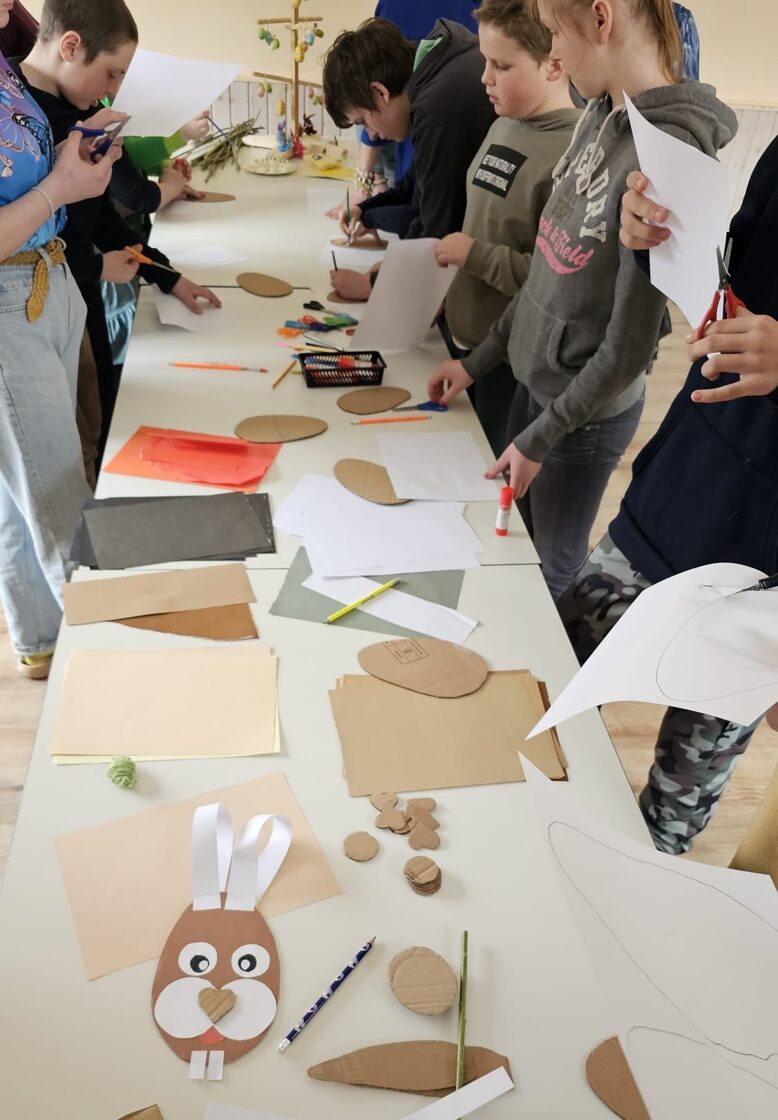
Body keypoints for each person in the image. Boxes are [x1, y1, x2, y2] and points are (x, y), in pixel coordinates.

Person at [427, 0, 736, 600]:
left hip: (583, 419)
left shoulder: (666, 155)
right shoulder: (599, 113)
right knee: (517, 549)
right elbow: (546, 271)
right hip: (537, 388)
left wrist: (543, 436)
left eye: (552, 32)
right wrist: (475, 362)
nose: (553, 53)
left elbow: (627, 350)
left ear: (600, 18)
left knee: (552, 569)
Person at [558, 140, 778, 854]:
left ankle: (635, 900)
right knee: (550, 676)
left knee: (678, 803)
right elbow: (731, 284)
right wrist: (655, 244)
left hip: (761, 584)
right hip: (682, 486)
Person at [12, 0, 221, 450]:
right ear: (71, 46)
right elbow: (31, 245)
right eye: (112, 75)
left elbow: (100, 217)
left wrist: (166, 275)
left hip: (77, 301)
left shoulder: (80, 117)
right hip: (35, 312)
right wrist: (96, 267)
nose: (114, 91)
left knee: (100, 416)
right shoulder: (20, 112)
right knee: (78, 433)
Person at [0, 1, 125, 678]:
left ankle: (41, 640)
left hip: (45, 280)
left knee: (24, 493)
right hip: (10, 296)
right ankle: (108, 671)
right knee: (59, 498)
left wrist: (74, 163)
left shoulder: (5, 68)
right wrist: (59, 187)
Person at [435, 0, 580, 454]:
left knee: (487, 466)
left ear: (554, 64)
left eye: (501, 66)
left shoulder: (571, 155)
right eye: (485, 62)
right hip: (465, 342)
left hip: (509, 362)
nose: (485, 78)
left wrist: (473, 255)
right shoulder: (505, 124)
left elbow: (552, 281)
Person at [322, 16, 495, 301]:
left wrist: (374, 284)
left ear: (379, 92)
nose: (372, 135)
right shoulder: (433, 70)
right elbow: (414, 189)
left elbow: (436, 233)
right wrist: (364, 212)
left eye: (363, 121)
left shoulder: (439, 109)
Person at [352, 1, 484, 212]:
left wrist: (366, 180)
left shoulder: (394, 6)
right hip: (472, 147)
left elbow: (375, 95)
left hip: (427, 140)